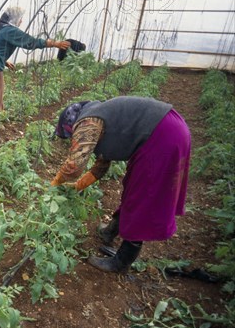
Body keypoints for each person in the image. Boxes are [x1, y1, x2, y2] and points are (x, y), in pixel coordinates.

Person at [50, 96, 191, 273]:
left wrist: (55, 184)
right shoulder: (100, 119)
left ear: (71, 125)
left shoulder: (88, 122)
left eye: (70, 135)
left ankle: (121, 262)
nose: (72, 138)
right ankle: (110, 232)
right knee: (133, 187)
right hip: (167, 129)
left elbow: (74, 165)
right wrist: (77, 186)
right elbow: (101, 167)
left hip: (164, 135)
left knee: (143, 197)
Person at [0, 6, 70, 141]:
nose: (21, 21)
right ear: (14, 19)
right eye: (20, 19)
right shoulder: (10, 30)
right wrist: (54, 43)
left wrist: (4, 61)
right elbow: (30, 42)